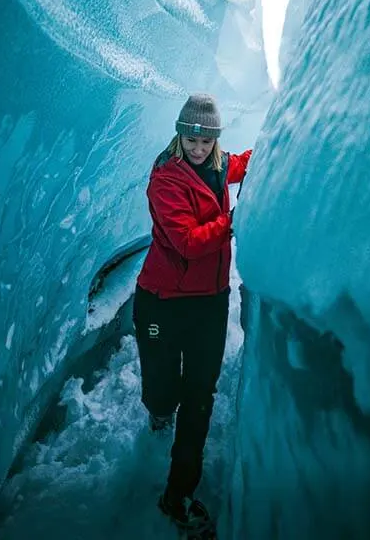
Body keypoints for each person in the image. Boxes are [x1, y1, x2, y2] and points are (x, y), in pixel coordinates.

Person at [133, 93, 252, 535]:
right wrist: (234, 222)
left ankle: (178, 493)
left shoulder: (220, 166)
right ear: (179, 134)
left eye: (206, 139)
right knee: (166, 390)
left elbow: (241, 162)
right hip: (163, 299)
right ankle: (158, 409)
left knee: (200, 393)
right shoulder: (166, 178)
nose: (198, 146)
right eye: (191, 136)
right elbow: (188, 241)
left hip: (209, 300)